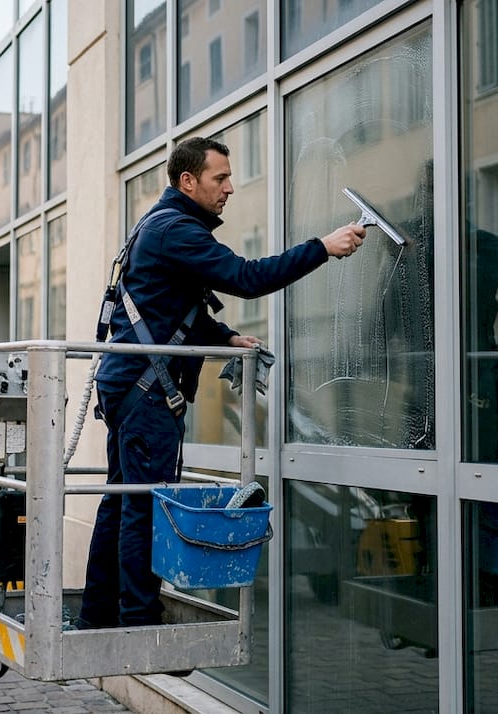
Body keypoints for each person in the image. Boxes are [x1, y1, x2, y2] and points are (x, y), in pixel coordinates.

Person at [77, 136, 366, 630]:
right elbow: (247, 277)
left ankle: (99, 615)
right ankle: (138, 620)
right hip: (146, 393)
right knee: (142, 506)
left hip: (130, 387)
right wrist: (323, 247)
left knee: (123, 500)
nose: (230, 187)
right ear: (188, 181)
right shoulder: (178, 232)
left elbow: (168, 306)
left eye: (230, 177)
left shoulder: (161, 225)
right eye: (220, 178)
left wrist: (225, 336)